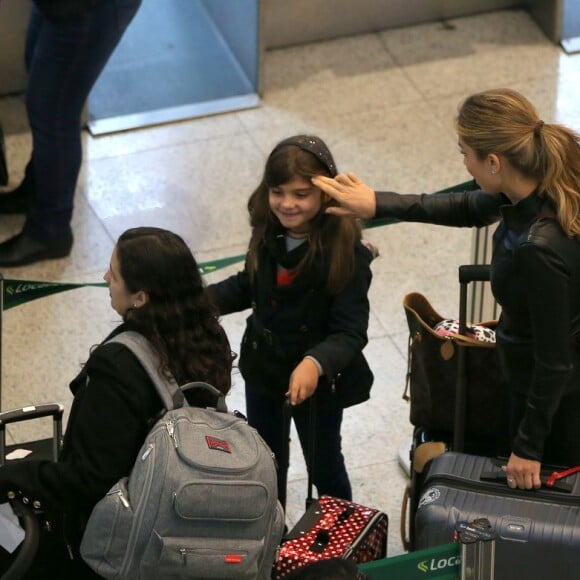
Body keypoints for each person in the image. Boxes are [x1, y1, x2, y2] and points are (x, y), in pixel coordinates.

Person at [313, 88, 580, 491]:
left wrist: (528, 446)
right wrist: (378, 203)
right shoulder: (542, 187)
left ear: (494, 162)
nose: (465, 165)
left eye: (465, 155)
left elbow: (555, 361)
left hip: (555, 407)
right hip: (541, 379)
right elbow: (465, 207)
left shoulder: (537, 248)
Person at [0, 227, 233, 577]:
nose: (105, 277)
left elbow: (88, 480)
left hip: (117, 541)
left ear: (139, 297)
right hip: (185, 510)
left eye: (114, 273)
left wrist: (11, 476)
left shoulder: (119, 368)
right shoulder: (210, 337)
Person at [207, 135, 375, 509]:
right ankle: (271, 538)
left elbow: (350, 332)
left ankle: (341, 544)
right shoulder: (268, 230)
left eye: (301, 194)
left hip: (319, 382)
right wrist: (199, 303)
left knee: (325, 464)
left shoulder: (347, 253)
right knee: (265, 462)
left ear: (325, 194)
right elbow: (250, 284)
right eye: (278, 191)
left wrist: (315, 363)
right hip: (265, 368)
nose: (287, 204)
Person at [0, 0, 142, 267]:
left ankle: (50, 230)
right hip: (60, 7)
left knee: (53, 112)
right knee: (41, 93)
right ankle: (37, 191)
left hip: (85, 8)